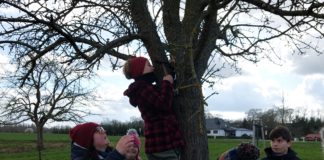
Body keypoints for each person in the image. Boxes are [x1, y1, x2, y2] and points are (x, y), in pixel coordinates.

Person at [123, 57, 184, 160]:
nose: (153, 68)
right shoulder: (142, 88)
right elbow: (163, 104)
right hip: (163, 143)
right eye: (149, 65)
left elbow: (162, 96)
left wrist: (170, 79)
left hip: (159, 143)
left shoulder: (145, 87)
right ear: (140, 70)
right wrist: (167, 83)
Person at [70, 122, 139, 160]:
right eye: (99, 130)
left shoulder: (107, 154)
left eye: (103, 128)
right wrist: (117, 154)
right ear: (87, 138)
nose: (104, 131)